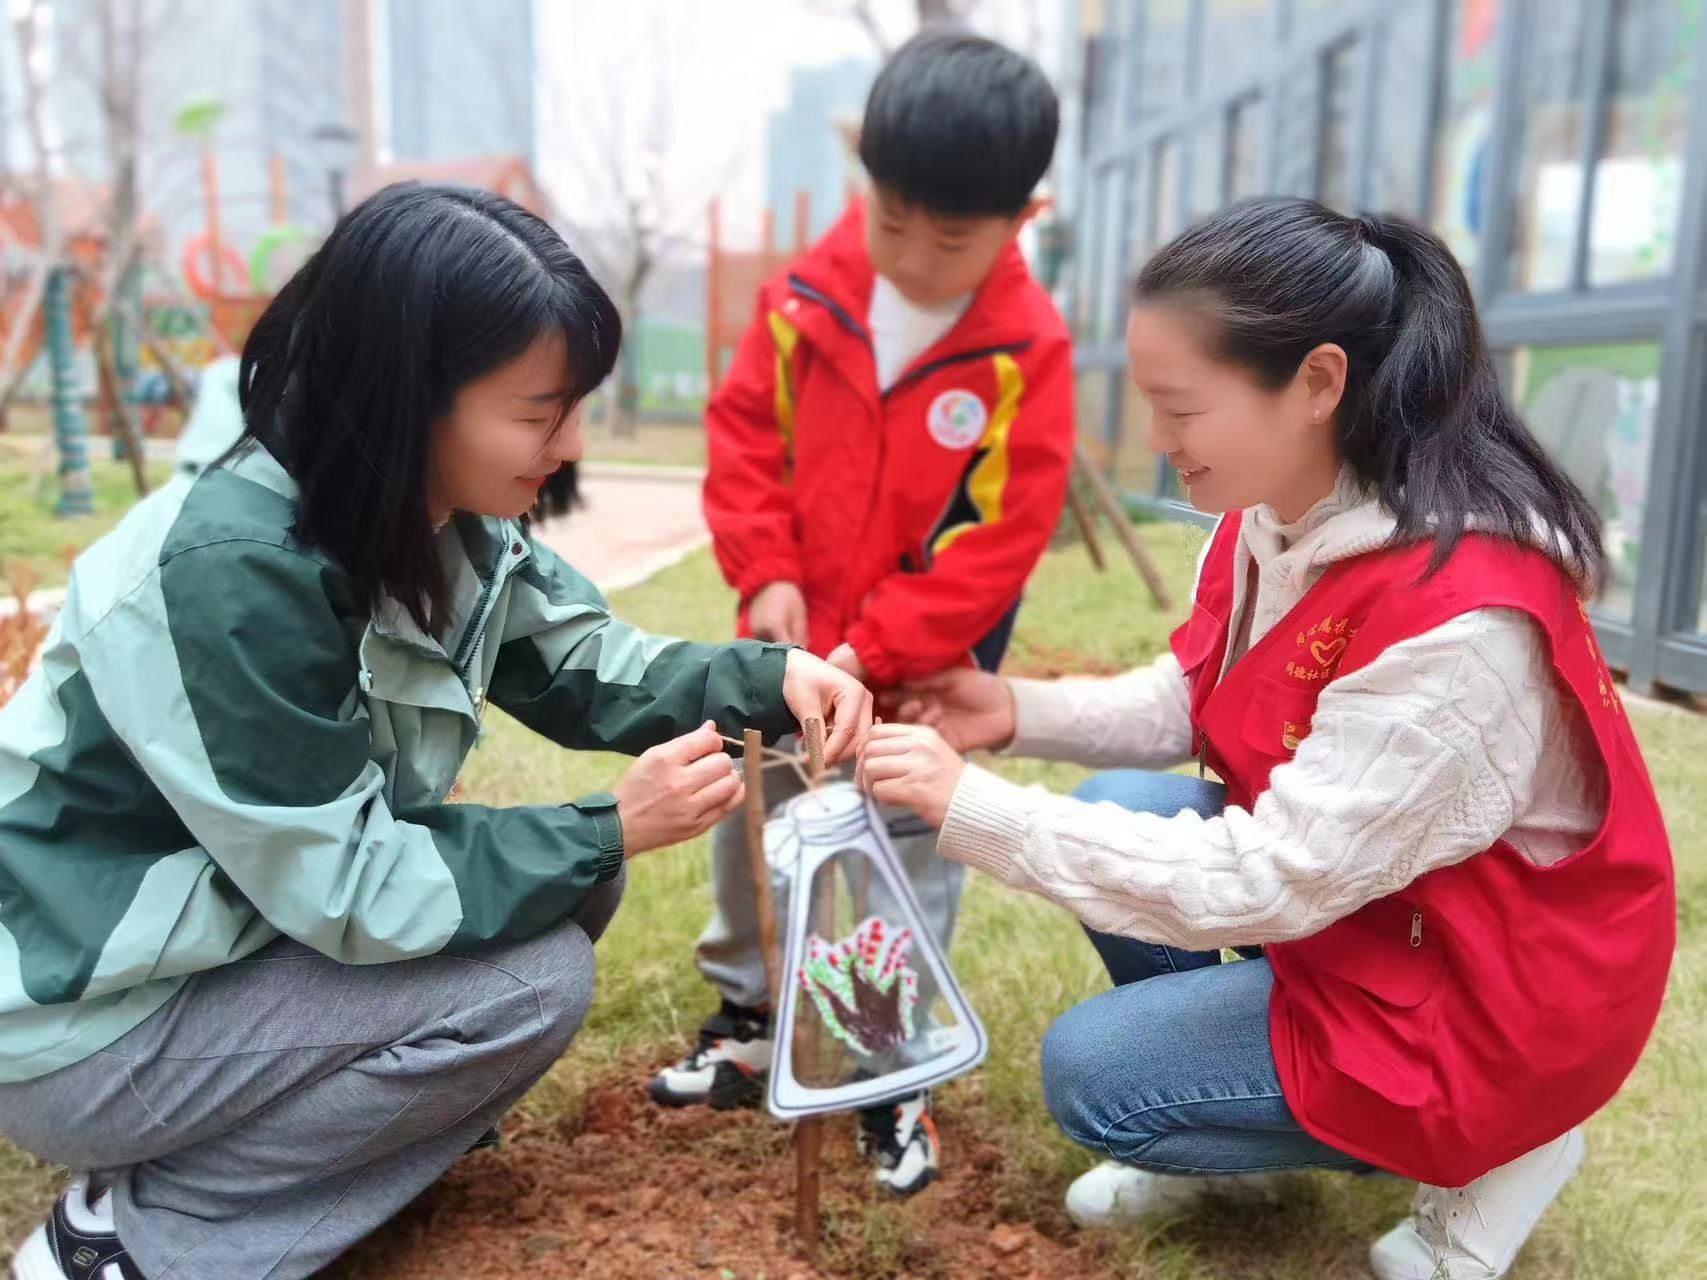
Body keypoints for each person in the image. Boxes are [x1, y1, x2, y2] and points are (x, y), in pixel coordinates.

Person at [0, 183, 871, 1280]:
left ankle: (356, 1138)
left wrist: (768, 678)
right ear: (412, 396)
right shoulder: (234, 574)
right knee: (532, 979)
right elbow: (350, 884)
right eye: (541, 411)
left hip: (220, 932)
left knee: (562, 893)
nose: (570, 443)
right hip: (87, 1013)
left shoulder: (425, 513)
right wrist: (609, 825)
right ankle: (138, 1234)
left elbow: (583, 661)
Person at [856, 198, 1674, 1278]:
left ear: (1318, 383)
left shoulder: (1459, 626)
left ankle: (1508, 1141)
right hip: (1395, 911)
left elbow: (1269, 877)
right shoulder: (1277, 509)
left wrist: (975, 808)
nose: (1158, 441)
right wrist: (1011, 711)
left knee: (1097, 1077)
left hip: (1498, 994)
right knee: (1120, 807)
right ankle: (1242, 1135)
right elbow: (1200, 695)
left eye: (1180, 408)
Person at [652, 30, 1076, 1197]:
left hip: (912, 674)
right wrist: (765, 573)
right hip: (784, 651)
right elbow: (746, 437)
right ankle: (749, 1015)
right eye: (895, 225)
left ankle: (889, 1063)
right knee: (757, 820)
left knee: (897, 853)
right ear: (865, 182)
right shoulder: (804, 299)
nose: (917, 260)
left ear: (1023, 217)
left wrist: (873, 648)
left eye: (953, 240)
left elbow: (998, 539)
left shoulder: (1025, 350)